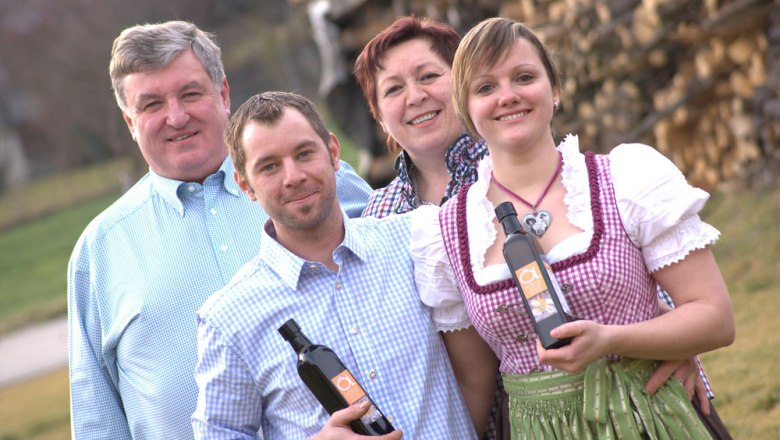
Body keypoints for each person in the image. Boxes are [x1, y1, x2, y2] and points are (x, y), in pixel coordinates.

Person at [410, 17, 735, 438]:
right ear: (467, 111)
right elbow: (475, 384)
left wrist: (613, 340)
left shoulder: (624, 179)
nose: (508, 96)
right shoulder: (446, 232)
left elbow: (715, 317)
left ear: (555, 89)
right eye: (485, 87)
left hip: (651, 417)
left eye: (524, 77)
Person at [67, 21, 372, 439]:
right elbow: (97, 423)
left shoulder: (323, 188)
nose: (177, 117)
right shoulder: (99, 251)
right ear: (129, 121)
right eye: (152, 104)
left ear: (224, 93)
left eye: (190, 93)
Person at [191, 91, 478, 439]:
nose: (292, 176)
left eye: (304, 153)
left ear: (333, 151)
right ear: (244, 185)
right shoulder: (228, 317)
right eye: (269, 166)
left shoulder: (415, 240)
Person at [353, 15, 488, 218]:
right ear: (380, 118)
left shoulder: (515, 164)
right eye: (394, 89)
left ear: (463, 82)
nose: (415, 97)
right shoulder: (379, 216)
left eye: (428, 76)